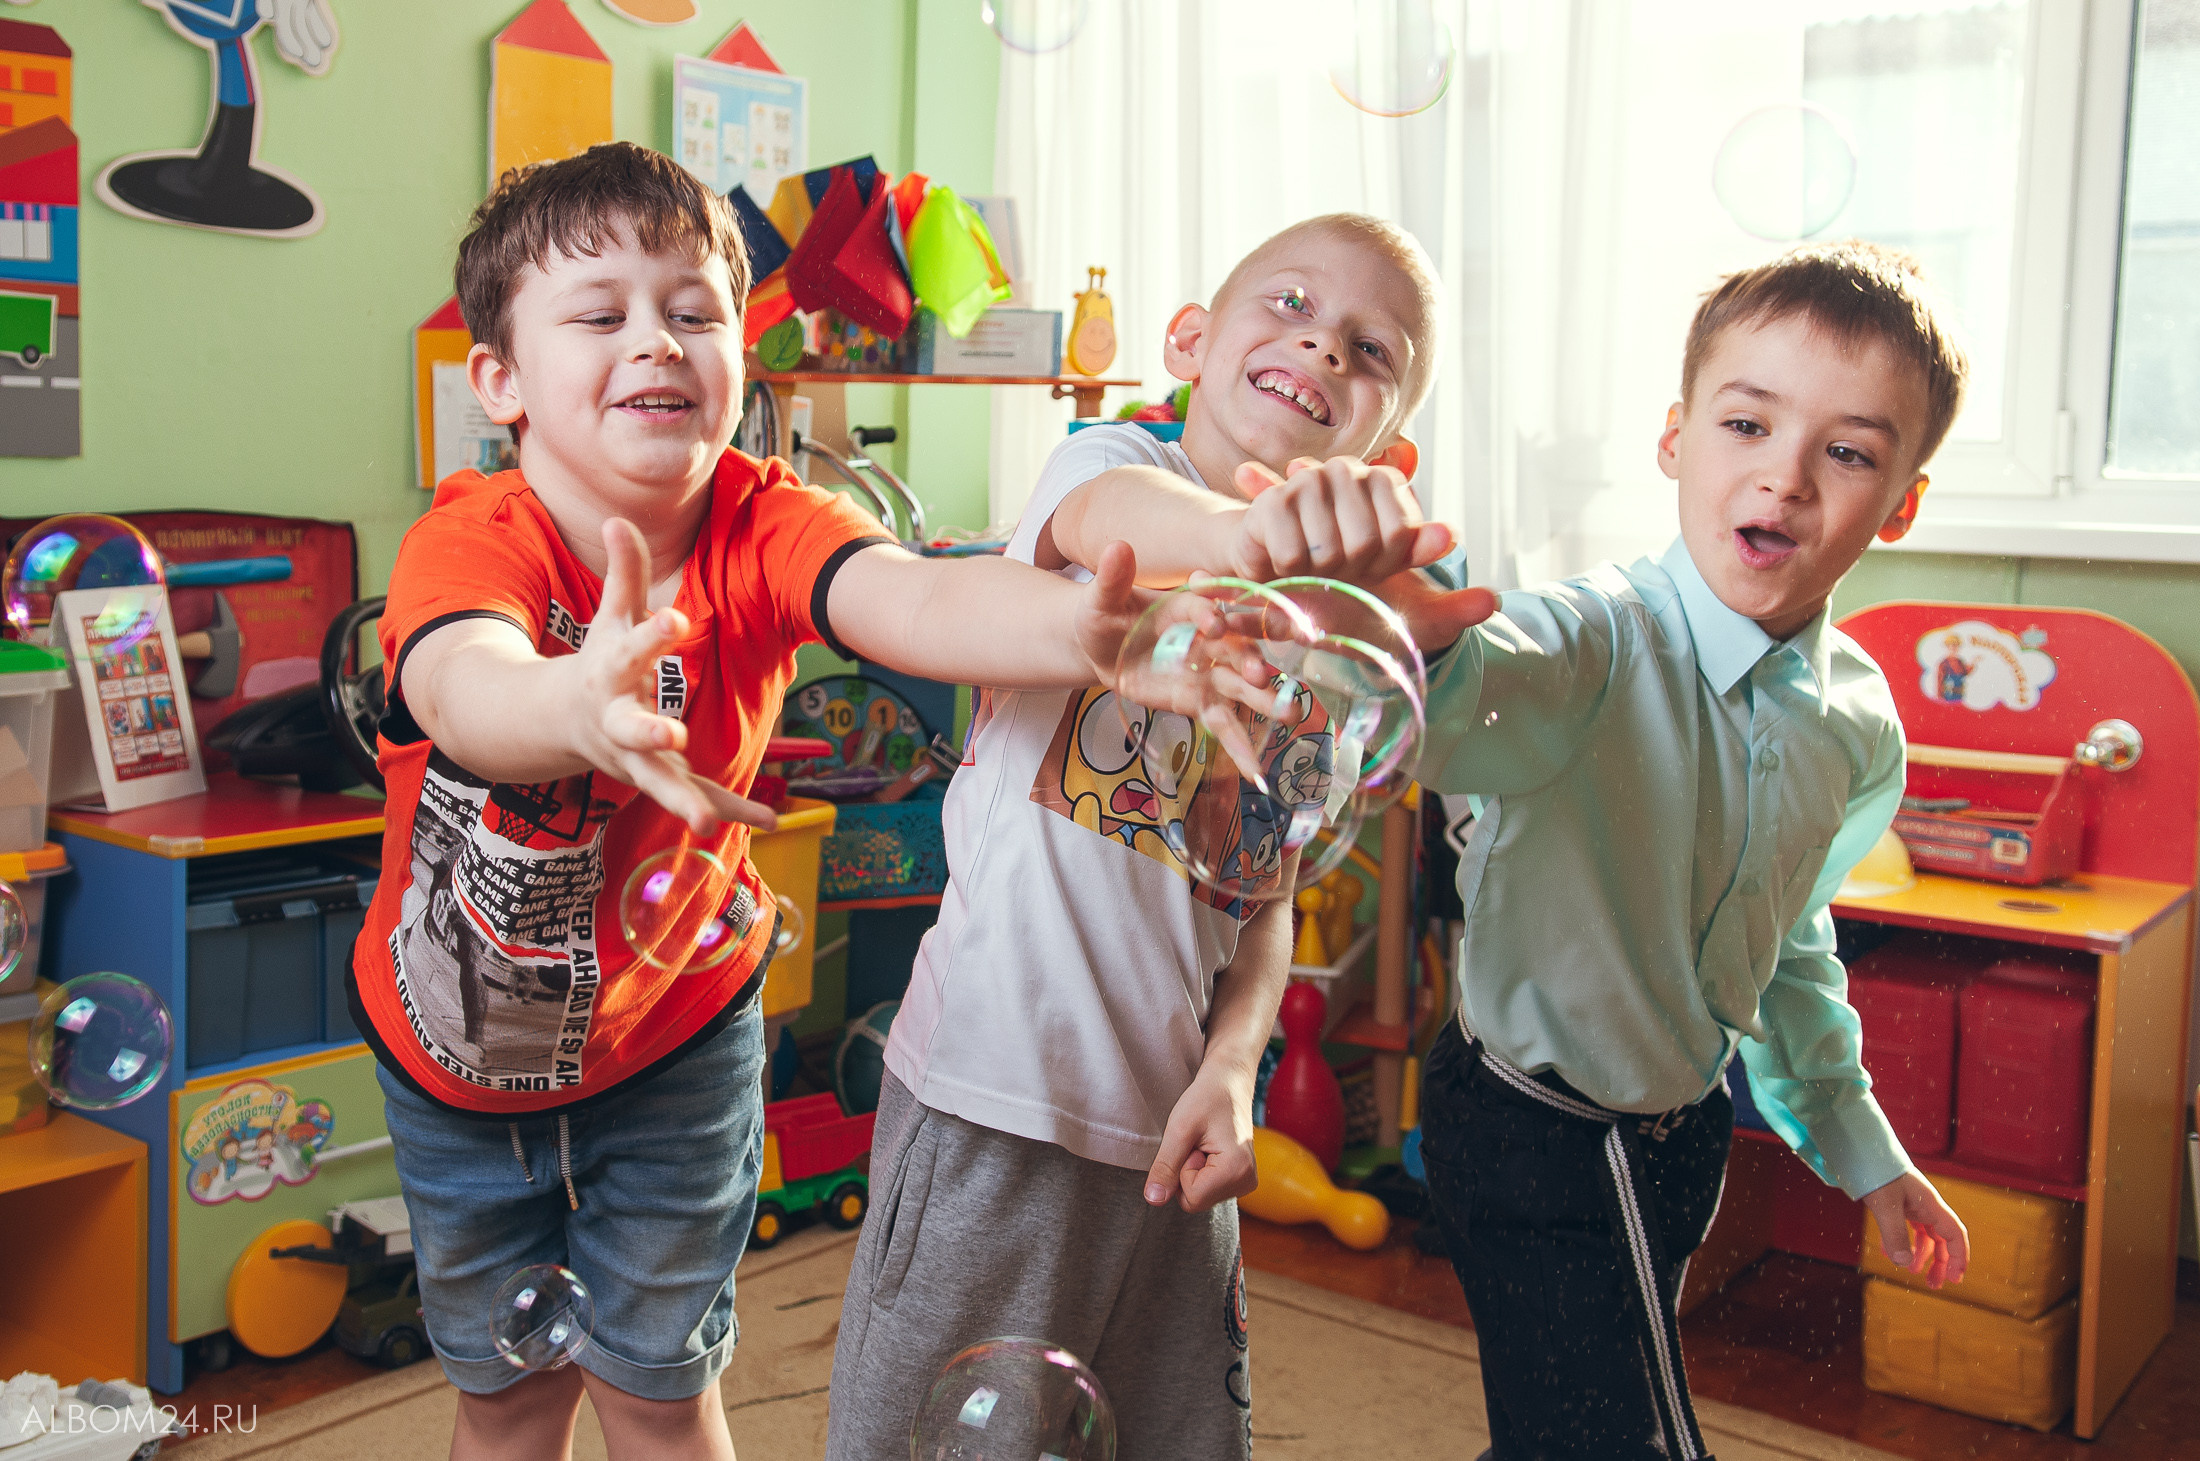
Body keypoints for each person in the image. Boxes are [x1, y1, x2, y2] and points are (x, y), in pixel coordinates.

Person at [348, 142, 1154, 1461]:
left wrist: (1083, 629)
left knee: (662, 1386)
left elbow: (919, 596)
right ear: (500, 380)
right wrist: (570, 711)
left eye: (693, 311)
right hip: (459, 1059)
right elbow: (457, 683)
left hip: (677, 1036)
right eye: (601, 315)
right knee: (507, 1397)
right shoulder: (472, 534)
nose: (656, 341)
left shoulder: (766, 518)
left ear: (741, 354)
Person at [826, 213, 1495, 1459]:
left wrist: (1234, 1067)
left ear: (1382, 447)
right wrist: (1242, 549)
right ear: (1191, 339)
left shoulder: (1325, 661)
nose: (1321, 346)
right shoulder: (1107, 471)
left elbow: (1264, 896)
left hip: (1175, 1141)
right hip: (993, 1102)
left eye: (1369, 348)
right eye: (1288, 305)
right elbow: (1111, 519)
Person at [1400, 240, 1975, 1461]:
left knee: (1573, 1421)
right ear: (1674, 440)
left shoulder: (1859, 725)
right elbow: (1461, 686)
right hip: (1531, 1121)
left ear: (1905, 500)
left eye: (1849, 451)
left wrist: (1863, 1152)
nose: (1786, 478)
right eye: (1747, 426)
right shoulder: (1593, 643)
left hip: (1678, 1131)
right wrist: (1407, 620)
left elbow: (1789, 944)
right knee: (1626, 1439)